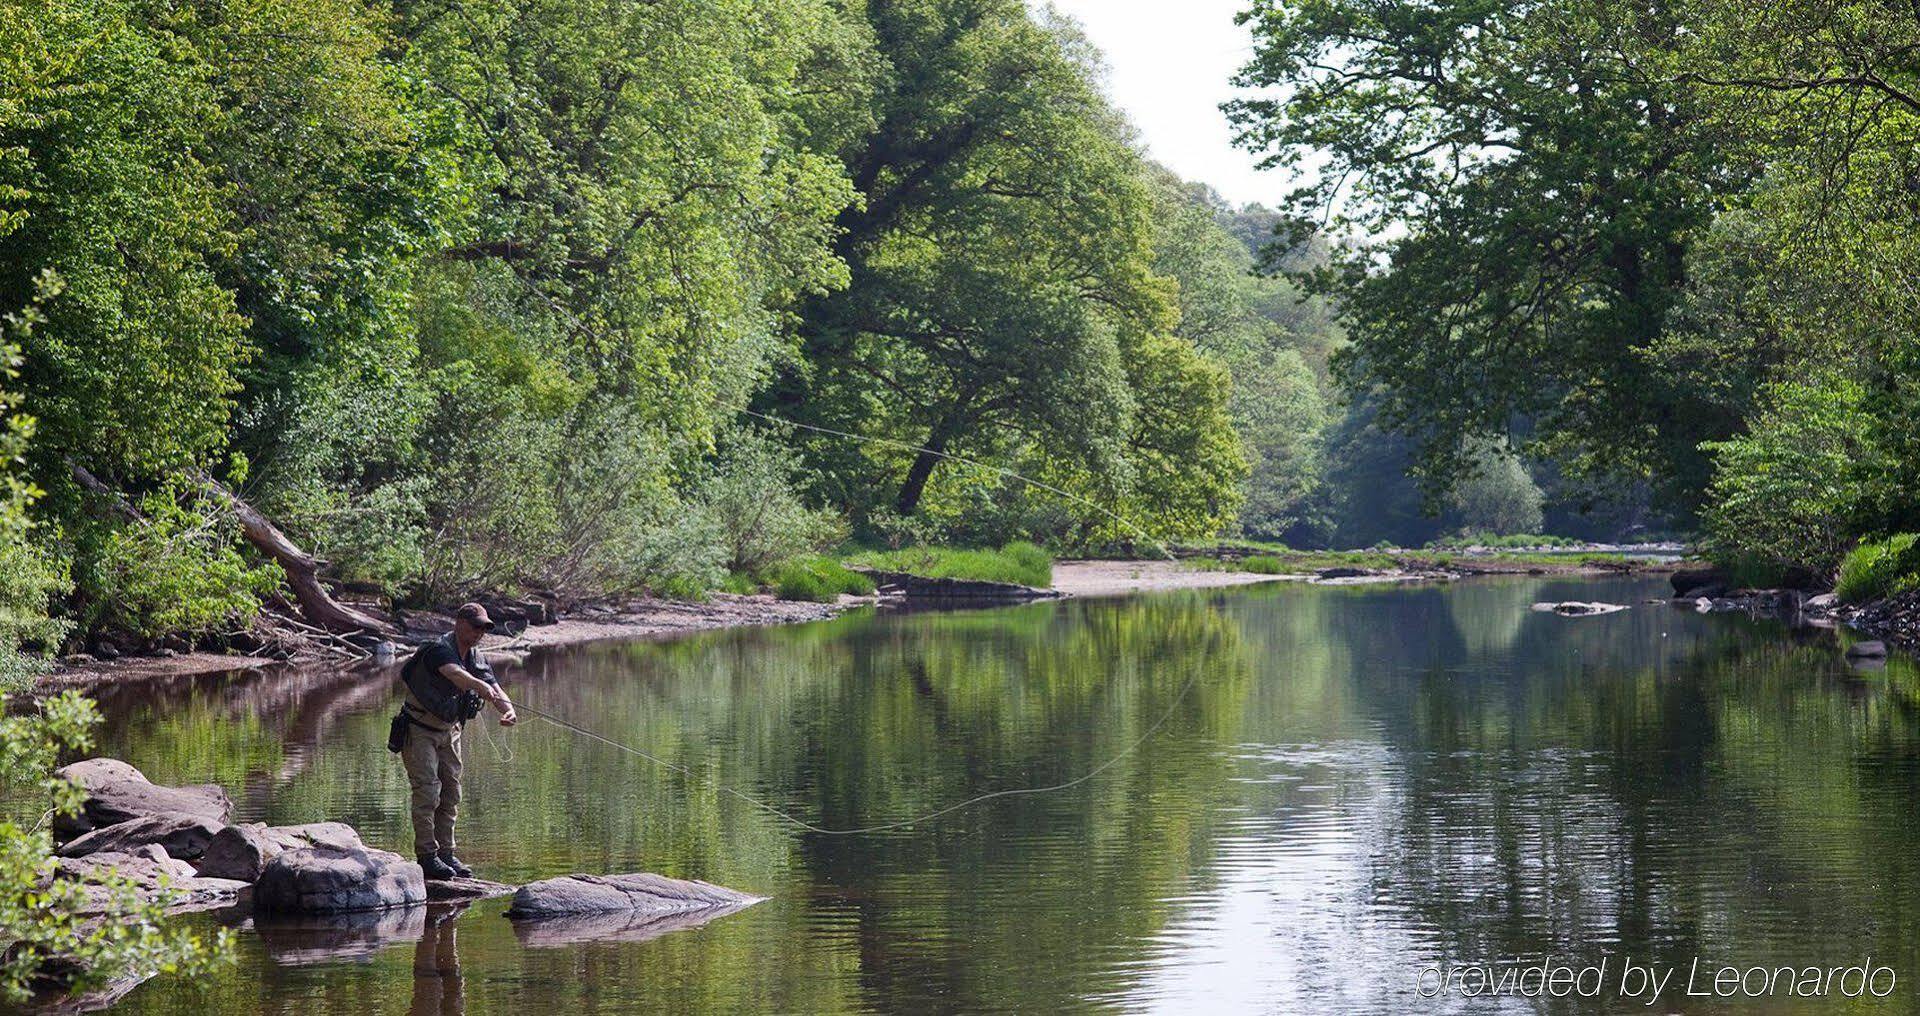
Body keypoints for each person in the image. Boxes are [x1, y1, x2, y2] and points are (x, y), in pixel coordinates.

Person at [395, 602, 517, 880]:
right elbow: (456, 675)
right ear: (459, 623)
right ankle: (427, 857)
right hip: (419, 730)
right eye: (475, 627)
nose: (479, 634)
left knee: (451, 793)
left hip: (450, 732)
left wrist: (508, 709)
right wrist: (480, 686)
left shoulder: (476, 657)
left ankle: (447, 853)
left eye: (484, 629)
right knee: (427, 792)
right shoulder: (438, 649)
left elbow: (495, 687)